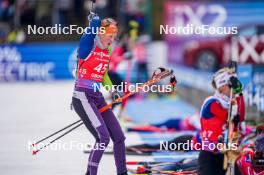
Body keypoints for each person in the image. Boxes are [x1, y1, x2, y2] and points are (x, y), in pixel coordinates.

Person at [71, 14, 128, 175]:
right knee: (103, 138)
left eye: (114, 36)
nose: (112, 40)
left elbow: (103, 75)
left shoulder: (108, 49)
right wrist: (95, 20)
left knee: (119, 137)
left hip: (97, 97)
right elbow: (91, 29)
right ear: (101, 33)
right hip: (83, 97)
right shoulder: (88, 44)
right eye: (110, 36)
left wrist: (113, 90)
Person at [198, 67, 245, 175]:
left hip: (227, 155)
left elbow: (240, 117)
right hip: (210, 158)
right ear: (222, 86)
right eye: (231, 86)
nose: (233, 89)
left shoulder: (229, 103)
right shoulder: (211, 102)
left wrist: (240, 93)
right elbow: (230, 117)